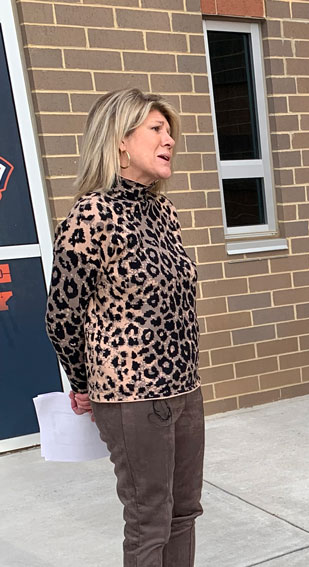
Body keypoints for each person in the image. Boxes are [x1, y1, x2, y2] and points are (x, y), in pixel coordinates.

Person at [45, 88, 204, 567]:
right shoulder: (90, 216)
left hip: (184, 389)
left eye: (169, 130)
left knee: (184, 512)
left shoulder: (164, 212)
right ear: (119, 140)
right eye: (156, 129)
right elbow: (61, 316)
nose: (169, 139)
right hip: (134, 396)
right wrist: (83, 384)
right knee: (149, 520)